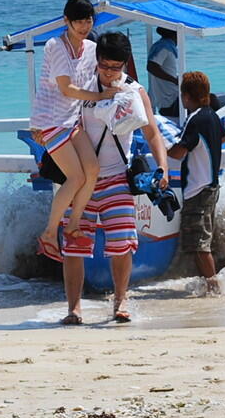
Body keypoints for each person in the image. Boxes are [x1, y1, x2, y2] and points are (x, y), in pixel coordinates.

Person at [60, 31, 169, 324]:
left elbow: (152, 132)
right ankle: (74, 308)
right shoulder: (82, 88)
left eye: (115, 68)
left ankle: (120, 302)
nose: (109, 73)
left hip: (118, 177)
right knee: (74, 245)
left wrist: (163, 167)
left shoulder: (135, 91)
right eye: (104, 66)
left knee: (121, 244)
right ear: (96, 61)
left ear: (125, 65)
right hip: (81, 179)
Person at [29, 0, 117, 261]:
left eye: (88, 20)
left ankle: (73, 225)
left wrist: (125, 89)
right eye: (78, 20)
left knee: (93, 170)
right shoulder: (55, 46)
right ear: (66, 21)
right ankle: (48, 235)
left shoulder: (90, 48)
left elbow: (101, 76)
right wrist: (102, 98)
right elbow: (66, 88)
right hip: (50, 121)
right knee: (76, 177)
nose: (83, 25)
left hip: (73, 120)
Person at [166, 70, 224, 294]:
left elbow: (179, 153)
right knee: (202, 239)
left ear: (186, 96)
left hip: (198, 187)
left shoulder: (195, 119)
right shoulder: (212, 115)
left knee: (200, 243)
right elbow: (223, 137)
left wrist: (163, 148)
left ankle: (213, 287)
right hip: (211, 184)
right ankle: (208, 284)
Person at [145, 26, 179, 120]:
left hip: (166, 97)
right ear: (174, 34)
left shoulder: (162, 45)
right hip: (169, 98)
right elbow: (151, 66)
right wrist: (174, 80)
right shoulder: (164, 47)